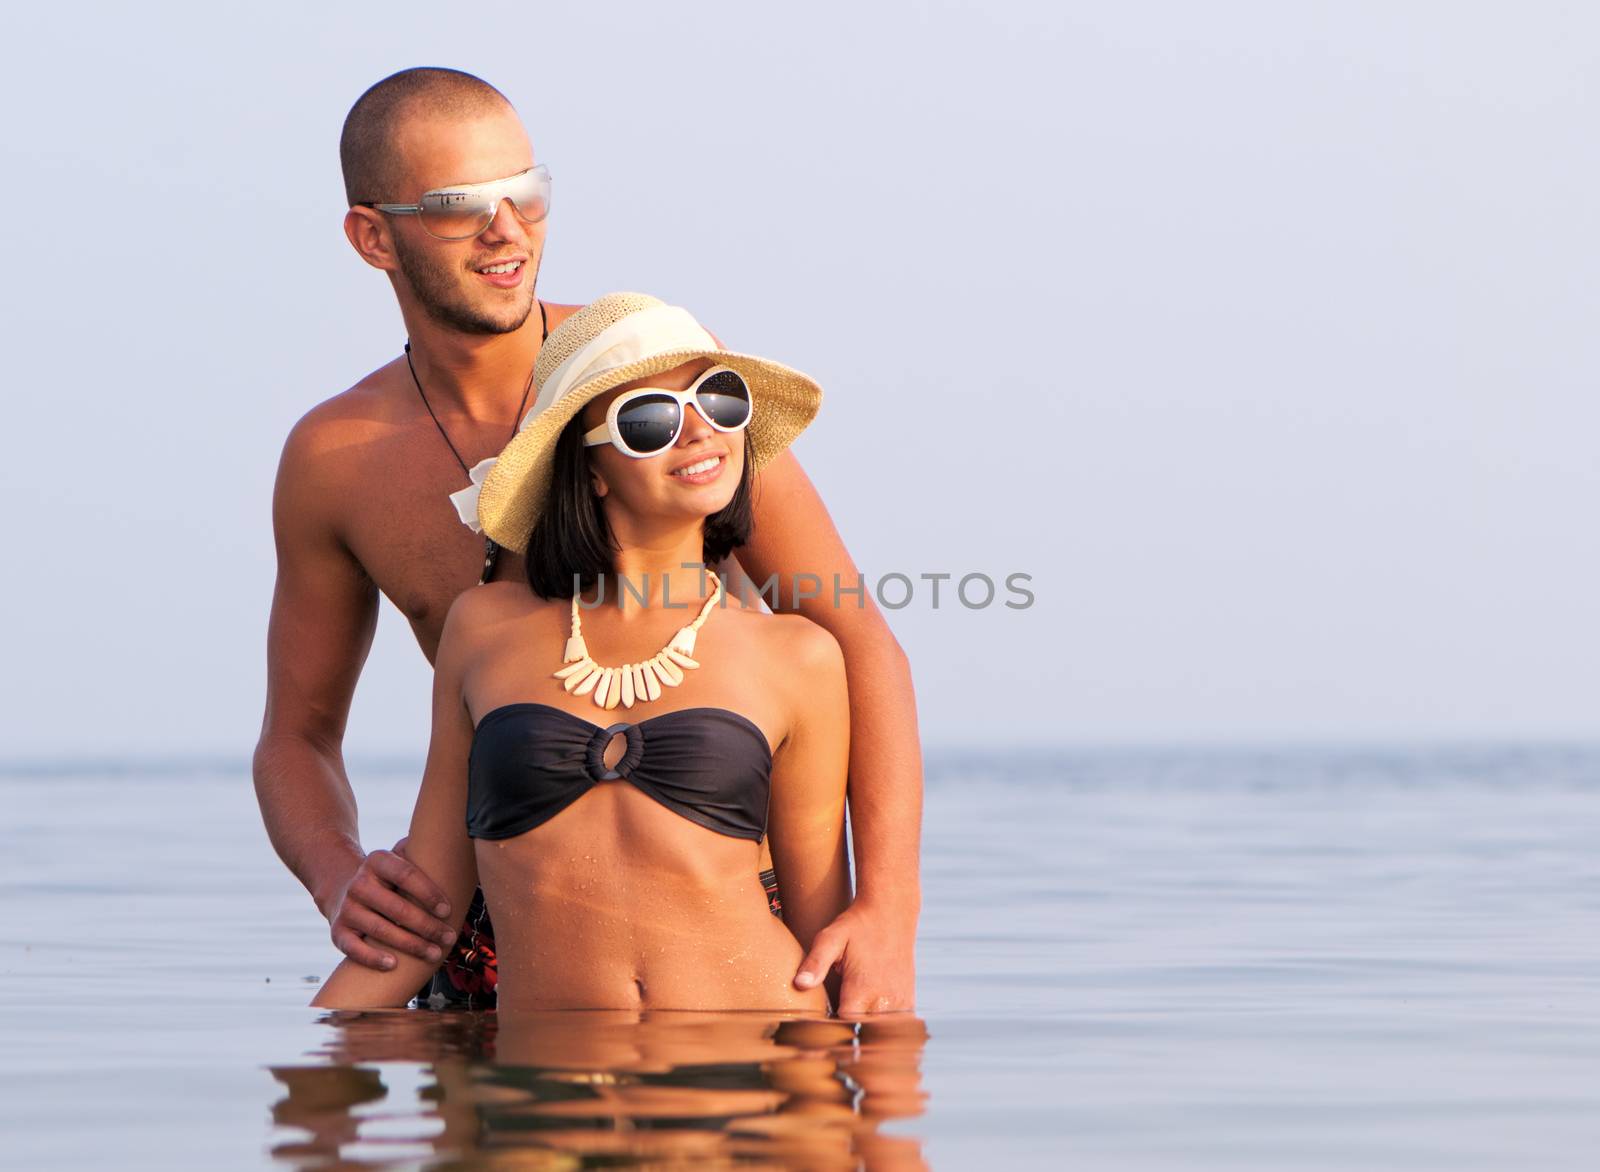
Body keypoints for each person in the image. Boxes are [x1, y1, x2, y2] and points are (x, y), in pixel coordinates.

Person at [256, 66, 922, 1013]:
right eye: (459, 207)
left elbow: (855, 637)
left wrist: (889, 907)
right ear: (374, 236)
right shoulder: (335, 459)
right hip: (490, 924)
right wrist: (338, 878)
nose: (507, 231)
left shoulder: (661, 386)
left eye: (525, 196)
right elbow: (296, 735)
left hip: (722, 912)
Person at [313, 293, 852, 1011]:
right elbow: (429, 911)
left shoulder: (800, 658)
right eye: (649, 420)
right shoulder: (483, 633)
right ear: (589, 468)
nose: (696, 430)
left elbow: (822, 940)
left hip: (744, 1076)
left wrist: (848, 1096)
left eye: (718, 400)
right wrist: (314, 1069)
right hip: (543, 1090)